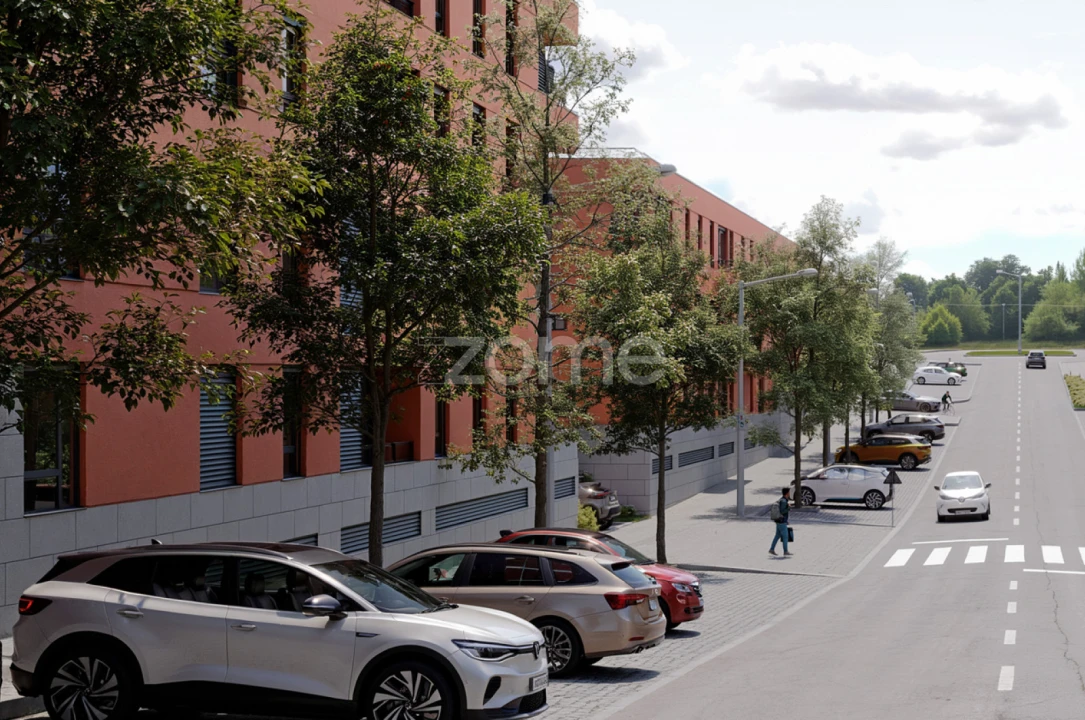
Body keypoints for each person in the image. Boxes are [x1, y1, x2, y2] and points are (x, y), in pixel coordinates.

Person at [769, 487, 792, 556]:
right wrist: (788, 507)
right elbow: (782, 511)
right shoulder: (784, 501)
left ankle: (772, 549)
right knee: (785, 537)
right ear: (787, 493)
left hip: (779, 521)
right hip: (782, 521)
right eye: (789, 492)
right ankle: (785, 551)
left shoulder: (782, 500)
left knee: (777, 535)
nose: (790, 493)